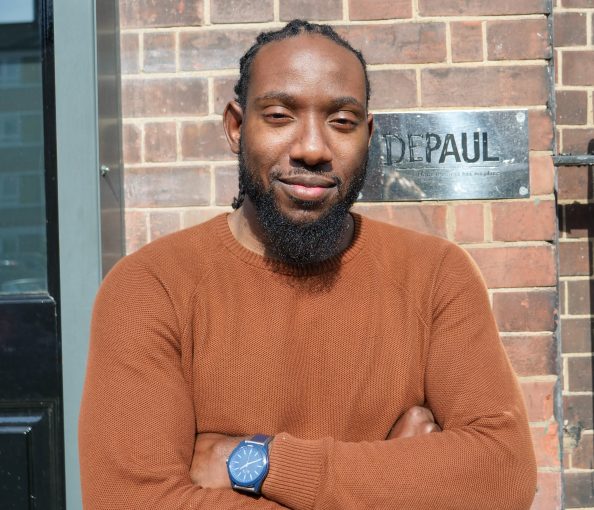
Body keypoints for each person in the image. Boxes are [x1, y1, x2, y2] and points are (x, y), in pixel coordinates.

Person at [79, 20, 537, 509]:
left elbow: (503, 475)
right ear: (236, 127)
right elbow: (132, 501)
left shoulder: (437, 276)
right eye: (280, 116)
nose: (313, 149)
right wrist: (396, 483)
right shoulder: (151, 288)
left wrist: (257, 462)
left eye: (341, 121)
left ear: (368, 133)